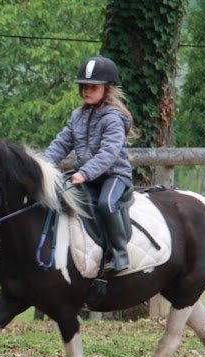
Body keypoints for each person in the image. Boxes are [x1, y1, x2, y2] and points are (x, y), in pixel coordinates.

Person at [43, 55, 137, 275]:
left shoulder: (113, 118)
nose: (86, 91)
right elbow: (61, 144)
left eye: (93, 87)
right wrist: (42, 167)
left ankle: (120, 253)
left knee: (106, 204)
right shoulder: (78, 116)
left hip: (114, 176)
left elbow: (109, 153)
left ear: (107, 89)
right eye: (84, 87)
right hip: (88, 176)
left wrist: (84, 173)